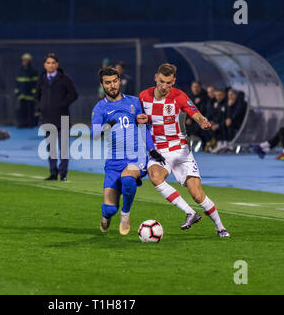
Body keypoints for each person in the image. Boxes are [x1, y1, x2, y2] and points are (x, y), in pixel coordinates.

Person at [137, 63, 230, 238]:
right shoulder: (143, 96)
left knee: (196, 193)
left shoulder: (179, 95)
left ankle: (220, 227)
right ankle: (190, 213)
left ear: (174, 82)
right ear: (156, 78)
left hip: (181, 150)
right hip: (159, 150)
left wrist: (201, 120)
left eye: (169, 83)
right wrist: (138, 118)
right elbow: (137, 116)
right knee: (155, 177)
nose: (164, 87)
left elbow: (192, 111)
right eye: (162, 82)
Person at [92, 67, 164, 235]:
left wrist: (151, 149)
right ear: (102, 85)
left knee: (128, 179)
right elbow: (95, 135)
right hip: (113, 161)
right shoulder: (100, 108)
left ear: (119, 81)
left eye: (115, 81)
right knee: (109, 209)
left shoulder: (133, 102)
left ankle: (126, 214)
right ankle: (108, 216)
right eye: (108, 83)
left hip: (135, 158)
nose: (112, 85)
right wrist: (107, 126)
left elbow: (143, 127)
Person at [35, 53, 78, 181]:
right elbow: (36, 96)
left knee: (63, 148)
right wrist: (40, 107)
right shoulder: (42, 79)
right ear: (44, 65)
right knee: (51, 148)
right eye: (48, 63)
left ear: (57, 65)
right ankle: (53, 172)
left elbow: (74, 94)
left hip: (62, 117)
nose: (50, 65)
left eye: (53, 63)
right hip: (47, 118)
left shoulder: (64, 79)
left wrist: (62, 104)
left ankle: (63, 173)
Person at [185, 81, 212, 150]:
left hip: (201, 120)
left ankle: (207, 144)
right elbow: (185, 109)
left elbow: (204, 110)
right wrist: (187, 118)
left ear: (200, 88)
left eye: (197, 87)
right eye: (194, 87)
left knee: (203, 127)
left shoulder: (205, 97)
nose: (195, 89)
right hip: (191, 120)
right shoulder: (188, 96)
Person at [15, 53, 38, 128]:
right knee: (22, 110)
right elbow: (17, 82)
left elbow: (35, 83)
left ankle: (30, 123)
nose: (24, 62)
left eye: (26, 60)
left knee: (30, 110)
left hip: (30, 95)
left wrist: (34, 92)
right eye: (23, 60)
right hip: (22, 95)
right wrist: (17, 91)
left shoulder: (33, 71)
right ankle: (22, 123)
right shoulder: (19, 71)